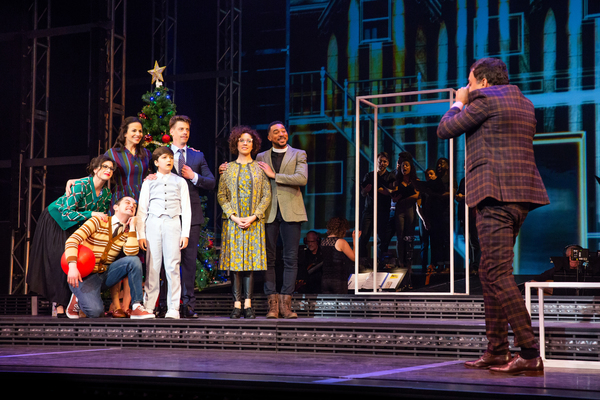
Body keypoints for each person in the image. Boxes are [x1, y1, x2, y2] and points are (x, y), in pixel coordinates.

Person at [437, 57, 550, 375]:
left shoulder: (484, 99)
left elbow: (445, 129)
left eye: (470, 82)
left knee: (497, 274)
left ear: (483, 82)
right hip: (519, 197)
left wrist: (459, 103)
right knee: (488, 272)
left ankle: (528, 352)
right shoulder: (524, 102)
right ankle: (497, 349)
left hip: (494, 195)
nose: (467, 87)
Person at [66, 116, 152, 317]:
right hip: (121, 200)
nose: (138, 134)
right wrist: (77, 180)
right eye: (134, 131)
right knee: (117, 252)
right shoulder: (114, 153)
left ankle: (131, 305)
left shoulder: (146, 154)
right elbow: (101, 169)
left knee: (135, 254)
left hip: (140, 204)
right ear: (124, 133)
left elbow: (155, 173)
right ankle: (114, 304)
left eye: (140, 131)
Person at [27, 155, 114, 317]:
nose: (108, 170)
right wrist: (91, 213)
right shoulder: (81, 186)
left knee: (77, 258)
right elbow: (67, 213)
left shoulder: (106, 193)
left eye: (110, 168)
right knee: (61, 258)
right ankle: (58, 305)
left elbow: (99, 217)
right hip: (56, 219)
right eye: (104, 167)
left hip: (77, 224)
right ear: (95, 169)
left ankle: (72, 303)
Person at [64, 196, 154, 319]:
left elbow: (131, 253)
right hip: (83, 276)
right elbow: (72, 240)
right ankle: (77, 297)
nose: (132, 206)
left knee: (133, 261)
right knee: (96, 312)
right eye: (127, 202)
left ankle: (137, 306)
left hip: (104, 274)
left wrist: (132, 228)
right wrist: (73, 267)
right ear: (115, 207)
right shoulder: (98, 221)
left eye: (134, 205)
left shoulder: (127, 232)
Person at [217, 126, 271, 318]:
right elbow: (222, 195)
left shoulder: (260, 168)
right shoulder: (227, 168)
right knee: (236, 265)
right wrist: (233, 216)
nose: (245, 143)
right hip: (233, 222)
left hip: (254, 222)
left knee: (249, 265)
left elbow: (266, 195)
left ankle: (248, 305)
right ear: (236, 143)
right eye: (241, 140)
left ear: (254, 144)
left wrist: (254, 216)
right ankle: (236, 304)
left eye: (249, 140)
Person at [167, 115, 216, 318]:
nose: (184, 132)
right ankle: (167, 304)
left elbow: (211, 182)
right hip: (168, 215)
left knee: (189, 261)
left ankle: (188, 305)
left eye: (187, 129)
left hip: (192, 216)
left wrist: (193, 176)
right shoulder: (162, 154)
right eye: (180, 129)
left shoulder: (197, 156)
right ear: (171, 131)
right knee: (167, 262)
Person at [137, 146, 191, 319]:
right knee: (152, 266)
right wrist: (141, 234)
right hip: (153, 223)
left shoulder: (180, 181)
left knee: (172, 266)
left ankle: (173, 307)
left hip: (173, 223)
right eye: (164, 157)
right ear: (156, 162)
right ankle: (149, 306)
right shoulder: (149, 181)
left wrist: (185, 233)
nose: (168, 160)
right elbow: (142, 209)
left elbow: (187, 209)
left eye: (170, 157)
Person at [358, 152, 395, 260]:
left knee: (381, 237)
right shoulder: (369, 175)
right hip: (369, 210)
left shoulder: (390, 176)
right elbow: (363, 193)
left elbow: (391, 192)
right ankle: (362, 261)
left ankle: (380, 262)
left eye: (384, 162)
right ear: (376, 162)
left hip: (383, 210)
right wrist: (365, 190)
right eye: (380, 161)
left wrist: (379, 190)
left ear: (388, 163)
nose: (382, 164)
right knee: (364, 236)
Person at [388, 153, 419, 268]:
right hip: (399, 212)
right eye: (402, 166)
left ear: (411, 167)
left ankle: (409, 264)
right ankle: (401, 262)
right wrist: (397, 197)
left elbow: (416, 196)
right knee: (400, 237)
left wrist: (402, 197)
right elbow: (394, 197)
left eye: (406, 165)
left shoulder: (415, 180)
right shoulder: (396, 181)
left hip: (410, 210)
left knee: (409, 237)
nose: (404, 168)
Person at [321, 217, 359, 294]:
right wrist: (355, 240)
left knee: (326, 304)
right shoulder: (341, 242)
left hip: (325, 280)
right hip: (338, 280)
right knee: (340, 304)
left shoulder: (323, 242)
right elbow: (354, 258)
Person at [456, 176, 481, 274]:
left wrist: (463, 196)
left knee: (473, 241)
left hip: (473, 213)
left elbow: (477, 195)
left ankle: (476, 266)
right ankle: (471, 266)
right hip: (463, 213)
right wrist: (458, 197)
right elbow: (459, 193)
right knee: (468, 241)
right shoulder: (463, 180)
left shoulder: (477, 179)